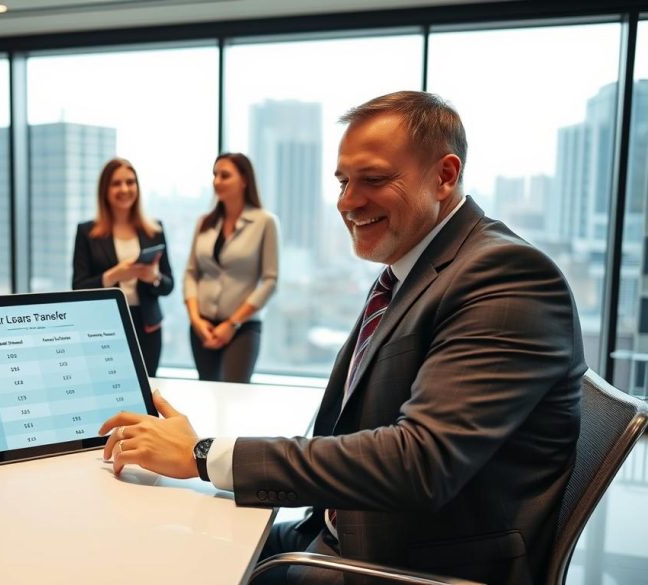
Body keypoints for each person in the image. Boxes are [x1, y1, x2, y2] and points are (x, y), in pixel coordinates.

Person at [98, 91, 585, 585]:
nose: (347, 202)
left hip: (407, 565)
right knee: (172, 538)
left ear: (445, 175)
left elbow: (419, 463)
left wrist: (203, 454)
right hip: (348, 527)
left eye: (373, 180)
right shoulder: (412, 267)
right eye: (343, 181)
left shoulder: (505, 275)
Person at [73, 158, 174, 377]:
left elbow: (168, 284)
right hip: (106, 325)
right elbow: (78, 287)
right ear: (105, 190)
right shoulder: (87, 233)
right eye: (116, 183)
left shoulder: (154, 230)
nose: (125, 189)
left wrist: (154, 278)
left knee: (147, 387)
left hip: (147, 325)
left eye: (130, 182)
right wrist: (114, 275)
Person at [184, 153, 279, 383]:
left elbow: (270, 280)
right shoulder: (204, 223)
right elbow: (190, 273)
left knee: (234, 395)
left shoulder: (264, 222)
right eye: (215, 175)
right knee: (207, 391)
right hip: (203, 326)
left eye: (225, 175)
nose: (217, 181)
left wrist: (232, 323)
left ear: (244, 180)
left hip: (242, 328)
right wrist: (196, 319)